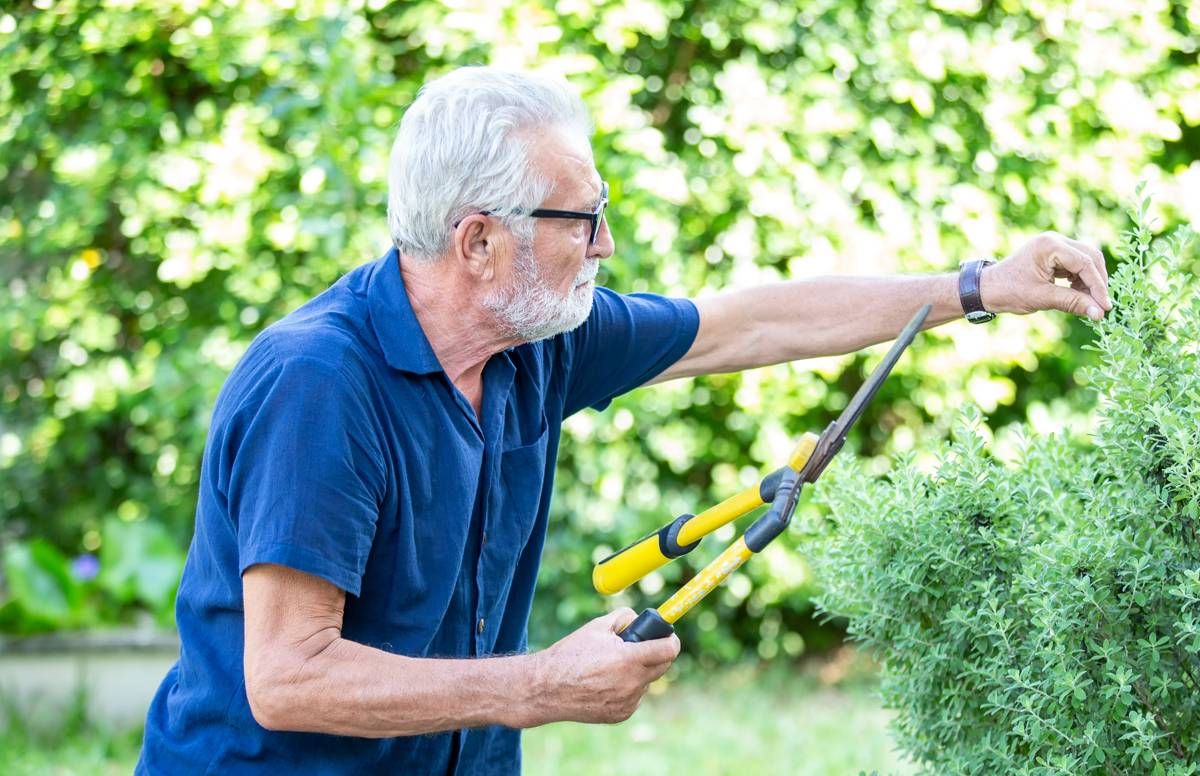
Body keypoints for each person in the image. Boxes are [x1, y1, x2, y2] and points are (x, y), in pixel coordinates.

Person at [136, 66, 1111, 774]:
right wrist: (535, 686)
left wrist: (980, 286)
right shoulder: (319, 388)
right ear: (478, 240)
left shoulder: (539, 337)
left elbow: (751, 321)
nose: (605, 242)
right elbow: (289, 677)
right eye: (580, 219)